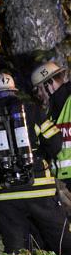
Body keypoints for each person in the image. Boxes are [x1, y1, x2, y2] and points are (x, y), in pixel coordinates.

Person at [0, 72, 70, 255]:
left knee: (15, 248)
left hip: (4, 192)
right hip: (39, 188)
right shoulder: (33, 111)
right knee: (60, 234)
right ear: (14, 91)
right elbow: (55, 143)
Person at [31, 61, 71, 190]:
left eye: (38, 89)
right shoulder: (51, 110)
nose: (38, 95)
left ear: (49, 83)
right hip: (62, 180)